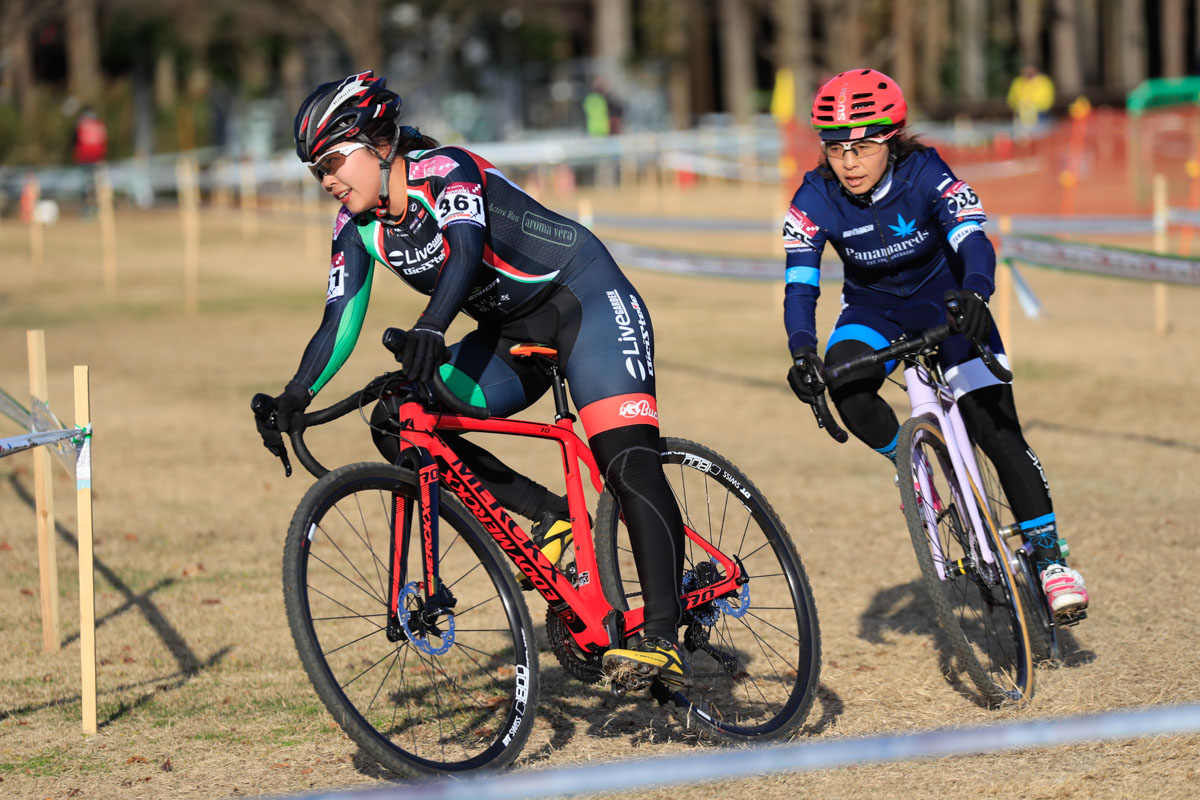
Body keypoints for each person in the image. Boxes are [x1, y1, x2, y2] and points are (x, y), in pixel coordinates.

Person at [254, 71, 690, 684]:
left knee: (625, 463)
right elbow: (339, 318)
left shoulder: (446, 171)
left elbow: (464, 249)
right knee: (398, 420)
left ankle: (664, 637)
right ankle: (551, 516)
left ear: (379, 144)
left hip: (583, 299)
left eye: (332, 161)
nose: (326, 180)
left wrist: (432, 325)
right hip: (511, 337)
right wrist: (296, 394)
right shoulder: (356, 226)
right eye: (315, 170)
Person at [781, 68, 1088, 621]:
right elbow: (800, 282)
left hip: (948, 302)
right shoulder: (814, 196)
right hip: (874, 311)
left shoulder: (925, 171)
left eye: (864, 147)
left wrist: (975, 292)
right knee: (846, 380)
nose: (849, 163)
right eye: (836, 149)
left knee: (993, 426)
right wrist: (801, 349)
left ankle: (1048, 561)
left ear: (891, 140)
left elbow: (972, 237)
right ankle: (913, 469)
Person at [1006, 63, 1055, 132]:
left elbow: (1047, 99)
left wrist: (1030, 104)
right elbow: (1011, 98)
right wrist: (1018, 105)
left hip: (1040, 114)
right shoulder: (1018, 82)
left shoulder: (1044, 81)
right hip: (1021, 114)